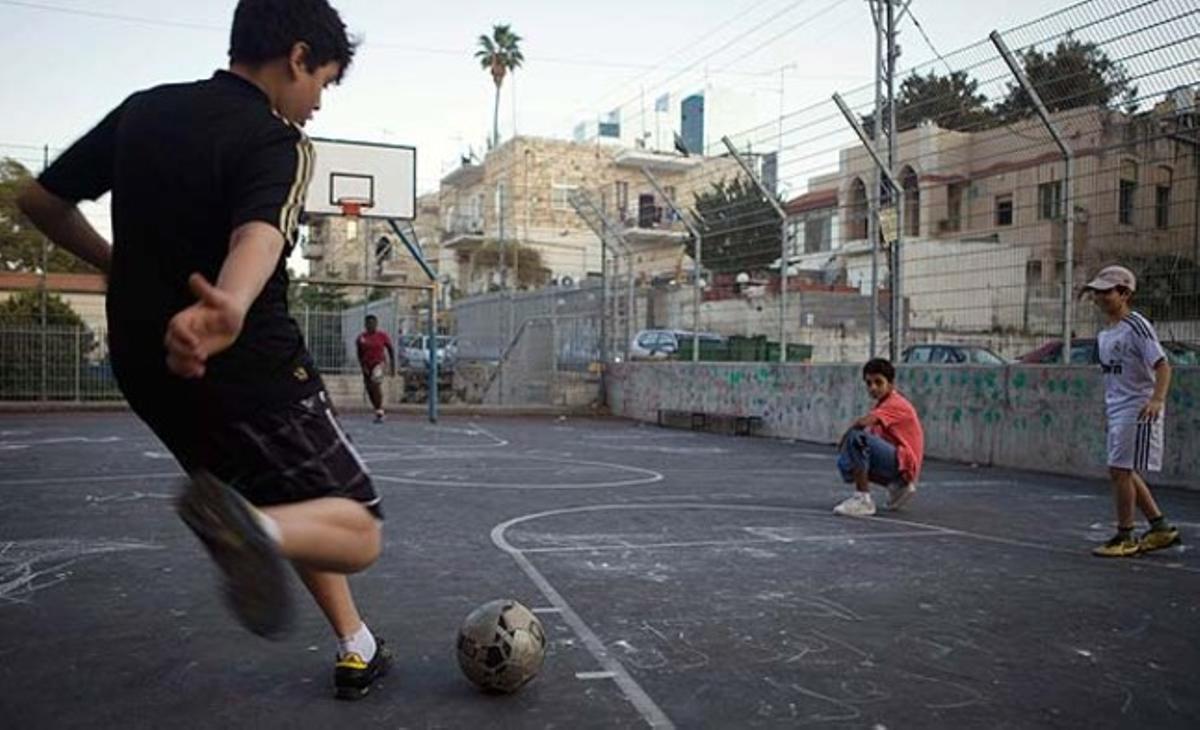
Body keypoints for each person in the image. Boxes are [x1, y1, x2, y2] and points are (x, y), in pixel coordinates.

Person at [17, 0, 390, 700]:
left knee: (288, 506)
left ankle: (355, 643)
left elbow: (39, 202)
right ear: (298, 56)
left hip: (148, 365)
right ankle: (248, 526)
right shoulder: (276, 141)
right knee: (356, 528)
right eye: (323, 83)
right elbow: (260, 235)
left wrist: (114, 263)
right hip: (248, 365)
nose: (316, 105)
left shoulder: (143, 110)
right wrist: (232, 304)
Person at [1084, 265, 1180, 558]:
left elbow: (1162, 365)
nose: (1100, 298)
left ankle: (1125, 535)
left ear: (1124, 293)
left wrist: (1156, 399)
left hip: (1137, 408)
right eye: (1097, 293)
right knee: (1122, 468)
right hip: (1118, 409)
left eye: (1106, 292)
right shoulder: (1105, 334)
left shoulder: (1136, 325)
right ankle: (1159, 526)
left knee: (1120, 470)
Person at [833, 358, 925, 517]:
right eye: (868, 383)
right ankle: (897, 486)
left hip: (905, 463)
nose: (873, 388)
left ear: (890, 384)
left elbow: (862, 424)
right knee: (845, 464)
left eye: (878, 382)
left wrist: (844, 440)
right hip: (898, 463)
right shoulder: (882, 405)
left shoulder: (895, 403)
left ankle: (863, 500)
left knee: (857, 438)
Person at [356, 314, 394, 422]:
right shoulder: (361, 338)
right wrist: (363, 366)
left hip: (379, 363)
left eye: (373, 323)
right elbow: (359, 353)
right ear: (365, 325)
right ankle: (378, 409)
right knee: (369, 388)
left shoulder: (382, 336)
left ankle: (380, 411)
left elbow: (390, 349)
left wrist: (392, 365)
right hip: (367, 365)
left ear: (376, 324)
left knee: (375, 384)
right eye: (368, 324)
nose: (371, 326)